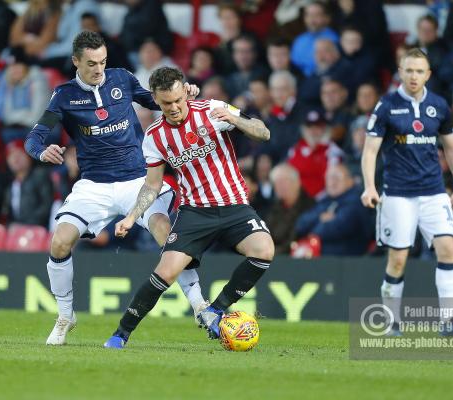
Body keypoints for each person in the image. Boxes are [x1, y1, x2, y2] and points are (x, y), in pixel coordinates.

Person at [24, 31, 205, 346]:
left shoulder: (121, 79)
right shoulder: (64, 96)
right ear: (76, 61)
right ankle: (65, 316)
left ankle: (200, 305)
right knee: (60, 242)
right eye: (92, 63)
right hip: (94, 185)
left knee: (165, 230)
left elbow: (156, 100)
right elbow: (34, 137)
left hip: (137, 179)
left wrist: (183, 92)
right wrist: (42, 151)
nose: (99, 69)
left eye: (103, 61)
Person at [106, 66, 274, 349]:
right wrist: (132, 216)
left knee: (264, 250)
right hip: (195, 211)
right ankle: (120, 334)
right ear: (156, 101)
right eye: (166, 103)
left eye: (177, 100)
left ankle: (215, 309)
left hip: (234, 204)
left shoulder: (213, 109)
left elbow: (263, 132)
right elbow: (152, 185)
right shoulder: (154, 137)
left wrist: (235, 119)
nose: (173, 108)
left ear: (186, 90)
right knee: (166, 272)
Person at [361, 48, 453, 336]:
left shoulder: (439, 105)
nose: (413, 76)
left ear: (428, 74)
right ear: (400, 71)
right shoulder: (386, 106)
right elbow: (370, 150)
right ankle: (390, 321)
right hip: (398, 194)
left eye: (419, 71)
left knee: (448, 249)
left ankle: (449, 323)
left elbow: (451, 147)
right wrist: (370, 186)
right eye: (409, 70)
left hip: (434, 192)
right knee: (398, 259)